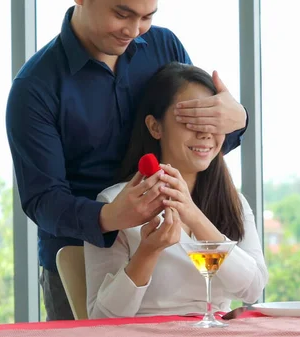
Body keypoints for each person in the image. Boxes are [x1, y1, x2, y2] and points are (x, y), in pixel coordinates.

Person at [5, 0, 248, 321]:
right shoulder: (35, 88)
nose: (133, 31)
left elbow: (194, 141)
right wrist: (109, 216)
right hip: (83, 258)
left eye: (146, 17)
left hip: (173, 247)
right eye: (122, 14)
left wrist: (237, 119)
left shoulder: (164, 46)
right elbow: (42, 201)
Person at [84, 62, 268, 318]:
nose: (205, 132)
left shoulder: (232, 200)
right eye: (191, 120)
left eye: (212, 120)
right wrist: (147, 252)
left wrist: (194, 216)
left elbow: (252, 290)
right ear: (155, 127)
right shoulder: (116, 203)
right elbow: (102, 318)